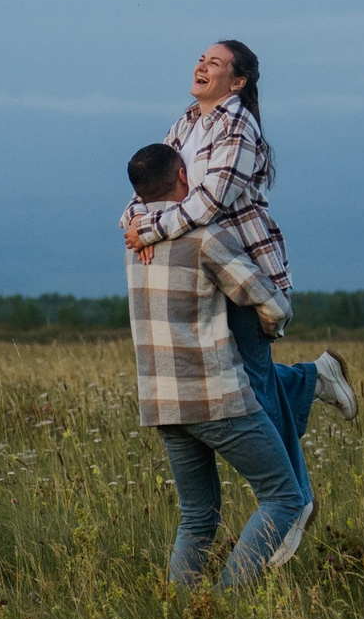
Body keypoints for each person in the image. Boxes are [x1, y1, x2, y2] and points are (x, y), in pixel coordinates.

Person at [125, 39, 356, 561]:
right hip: (200, 270)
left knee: (251, 383)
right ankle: (311, 379)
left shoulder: (238, 129)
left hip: (245, 269)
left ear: (239, 81)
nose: (201, 65)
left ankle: (296, 501)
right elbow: (156, 184)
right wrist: (133, 223)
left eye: (215, 62)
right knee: (248, 379)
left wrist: (149, 230)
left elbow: (207, 203)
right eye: (200, 58)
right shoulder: (184, 123)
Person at [122, 142, 309, 587]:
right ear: (184, 177)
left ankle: (184, 618)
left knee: (197, 520)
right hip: (215, 395)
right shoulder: (206, 237)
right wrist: (268, 328)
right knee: (284, 498)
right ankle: (227, 600)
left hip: (162, 403)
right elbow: (271, 302)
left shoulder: (134, 243)